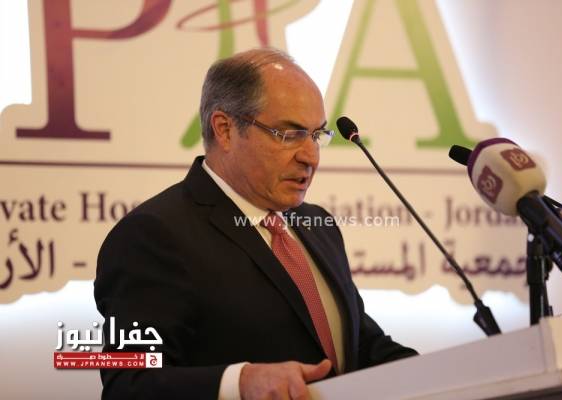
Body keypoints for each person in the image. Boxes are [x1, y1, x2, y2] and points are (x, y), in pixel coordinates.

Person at [94, 48, 417, 400]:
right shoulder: (153, 235)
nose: (311, 156)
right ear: (225, 129)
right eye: (289, 134)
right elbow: (128, 383)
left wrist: (447, 370)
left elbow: (359, 346)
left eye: (316, 135)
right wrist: (240, 383)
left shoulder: (318, 225)